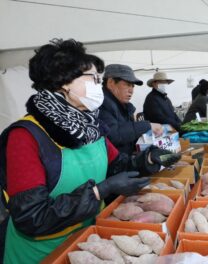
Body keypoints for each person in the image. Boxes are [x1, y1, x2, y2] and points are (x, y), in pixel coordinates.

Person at [0, 39, 180, 264]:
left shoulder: (90, 126)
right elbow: (32, 216)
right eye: (93, 79)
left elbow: (116, 164)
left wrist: (148, 159)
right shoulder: (25, 136)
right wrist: (99, 191)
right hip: (43, 253)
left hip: (91, 243)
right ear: (64, 82)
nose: (98, 85)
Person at [99, 64, 163, 155]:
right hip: (117, 166)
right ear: (111, 83)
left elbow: (128, 134)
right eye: (127, 84)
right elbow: (114, 135)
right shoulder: (102, 103)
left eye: (133, 86)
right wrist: (148, 126)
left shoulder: (123, 105)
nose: (131, 90)